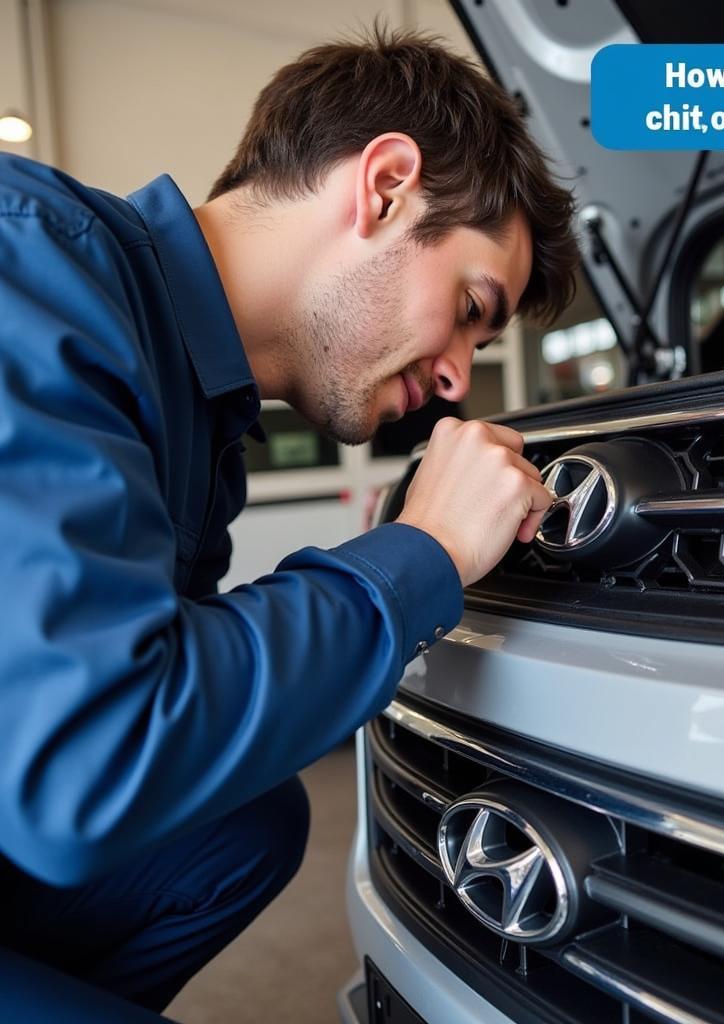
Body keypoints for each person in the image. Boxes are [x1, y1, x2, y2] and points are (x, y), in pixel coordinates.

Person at [0, 25, 577, 1021]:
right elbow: (84, 766)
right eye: (471, 304)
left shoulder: (201, 424)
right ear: (386, 185)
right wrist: (420, 555)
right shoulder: (34, 266)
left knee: (245, 826)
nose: (456, 378)